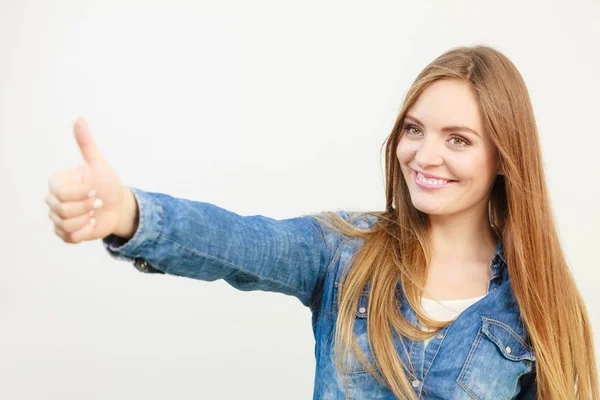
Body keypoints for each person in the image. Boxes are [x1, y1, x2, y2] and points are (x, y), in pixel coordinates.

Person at [44, 45, 598, 399]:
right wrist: (131, 215)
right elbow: (245, 243)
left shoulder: (537, 300)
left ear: (504, 157)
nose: (425, 156)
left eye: (458, 139)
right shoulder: (343, 251)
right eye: (414, 129)